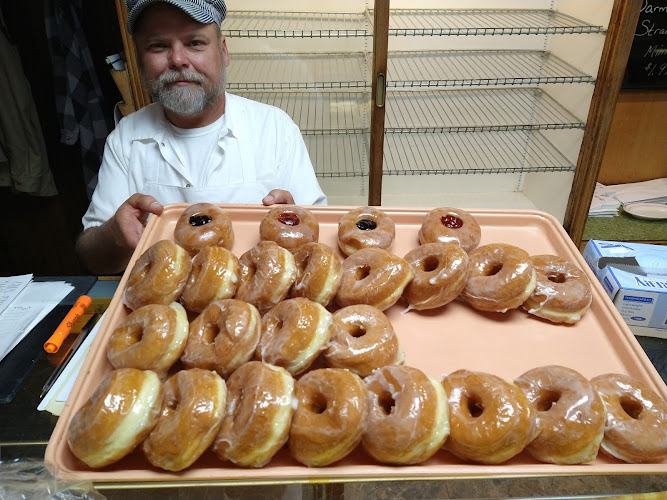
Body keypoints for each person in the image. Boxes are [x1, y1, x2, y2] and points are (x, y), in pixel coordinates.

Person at [75, 0, 326, 274]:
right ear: (139, 62)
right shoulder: (126, 138)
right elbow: (92, 258)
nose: (178, 59)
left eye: (195, 42)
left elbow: (322, 242)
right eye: (158, 46)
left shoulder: (275, 129)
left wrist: (296, 232)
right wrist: (114, 235)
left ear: (224, 51)